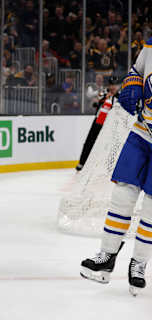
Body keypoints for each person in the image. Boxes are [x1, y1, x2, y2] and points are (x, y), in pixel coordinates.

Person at [80, 38, 152, 296]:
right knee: (122, 193)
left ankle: (139, 263)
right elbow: (137, 70)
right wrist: (132, 83)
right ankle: (107, 255)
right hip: (142, 133)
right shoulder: (151, 45)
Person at [76, 76, 121, 171]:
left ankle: (110, 165)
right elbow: (95, 101)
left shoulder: (121, 96)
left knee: (112, 144)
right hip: (99, 121)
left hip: (111, 123)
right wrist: (104, 98)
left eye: (115, 85)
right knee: (90, 141)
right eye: (111, 85)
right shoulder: (104, 92)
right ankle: (82, 163)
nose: (113, 87)